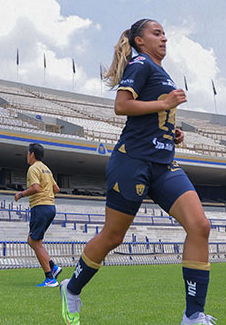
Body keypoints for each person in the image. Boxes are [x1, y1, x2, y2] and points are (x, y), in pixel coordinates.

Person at [60, 19, 214, 325]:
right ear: (140, 40)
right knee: (113, 236)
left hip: (163, 164)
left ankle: (193, 315)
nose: (164, 38)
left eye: (164, 34)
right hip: (133, 162)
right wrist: (165, 103)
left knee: (200, 226)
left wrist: (172, 130)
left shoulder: (160, 71)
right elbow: (122, 105)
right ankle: (72, 288)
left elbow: (155, 113)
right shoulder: (140, 63)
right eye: (157, 33)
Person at [14, 142, 62, 287]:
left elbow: (35, 188)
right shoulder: (46, 169)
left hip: (40, 207)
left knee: (33, 241)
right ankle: (53, 266)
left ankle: (50, 277)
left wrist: (21, 194)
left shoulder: (33, 168)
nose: (27, 156)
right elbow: (56, 188)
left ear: (32, 154)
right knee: (34, 241)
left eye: (27, 153)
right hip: (50, 207)